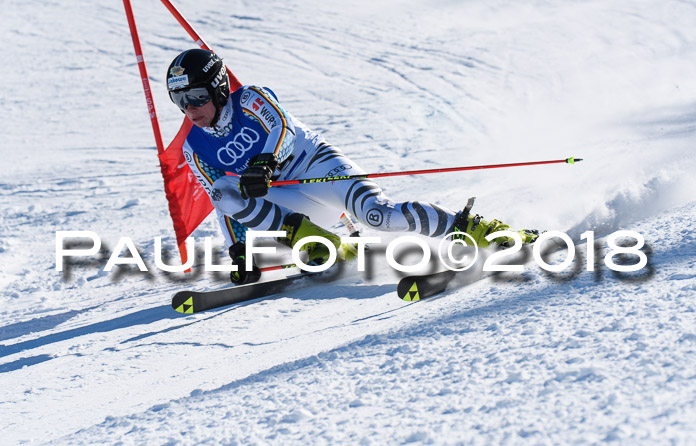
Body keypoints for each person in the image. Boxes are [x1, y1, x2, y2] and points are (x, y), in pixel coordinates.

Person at [166, 49, 538, 284]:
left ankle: (474, 227)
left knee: (380, 216)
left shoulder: (250, 99)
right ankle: (316, 241)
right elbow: (222, 203)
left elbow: (284, 129)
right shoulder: (193, 146)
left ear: (216, 88)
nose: (191, 109)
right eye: (181, 101)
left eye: (197, 96)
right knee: (224, 191)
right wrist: (239, 250)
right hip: (294, 202)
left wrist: (266, 161)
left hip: (318, 167)